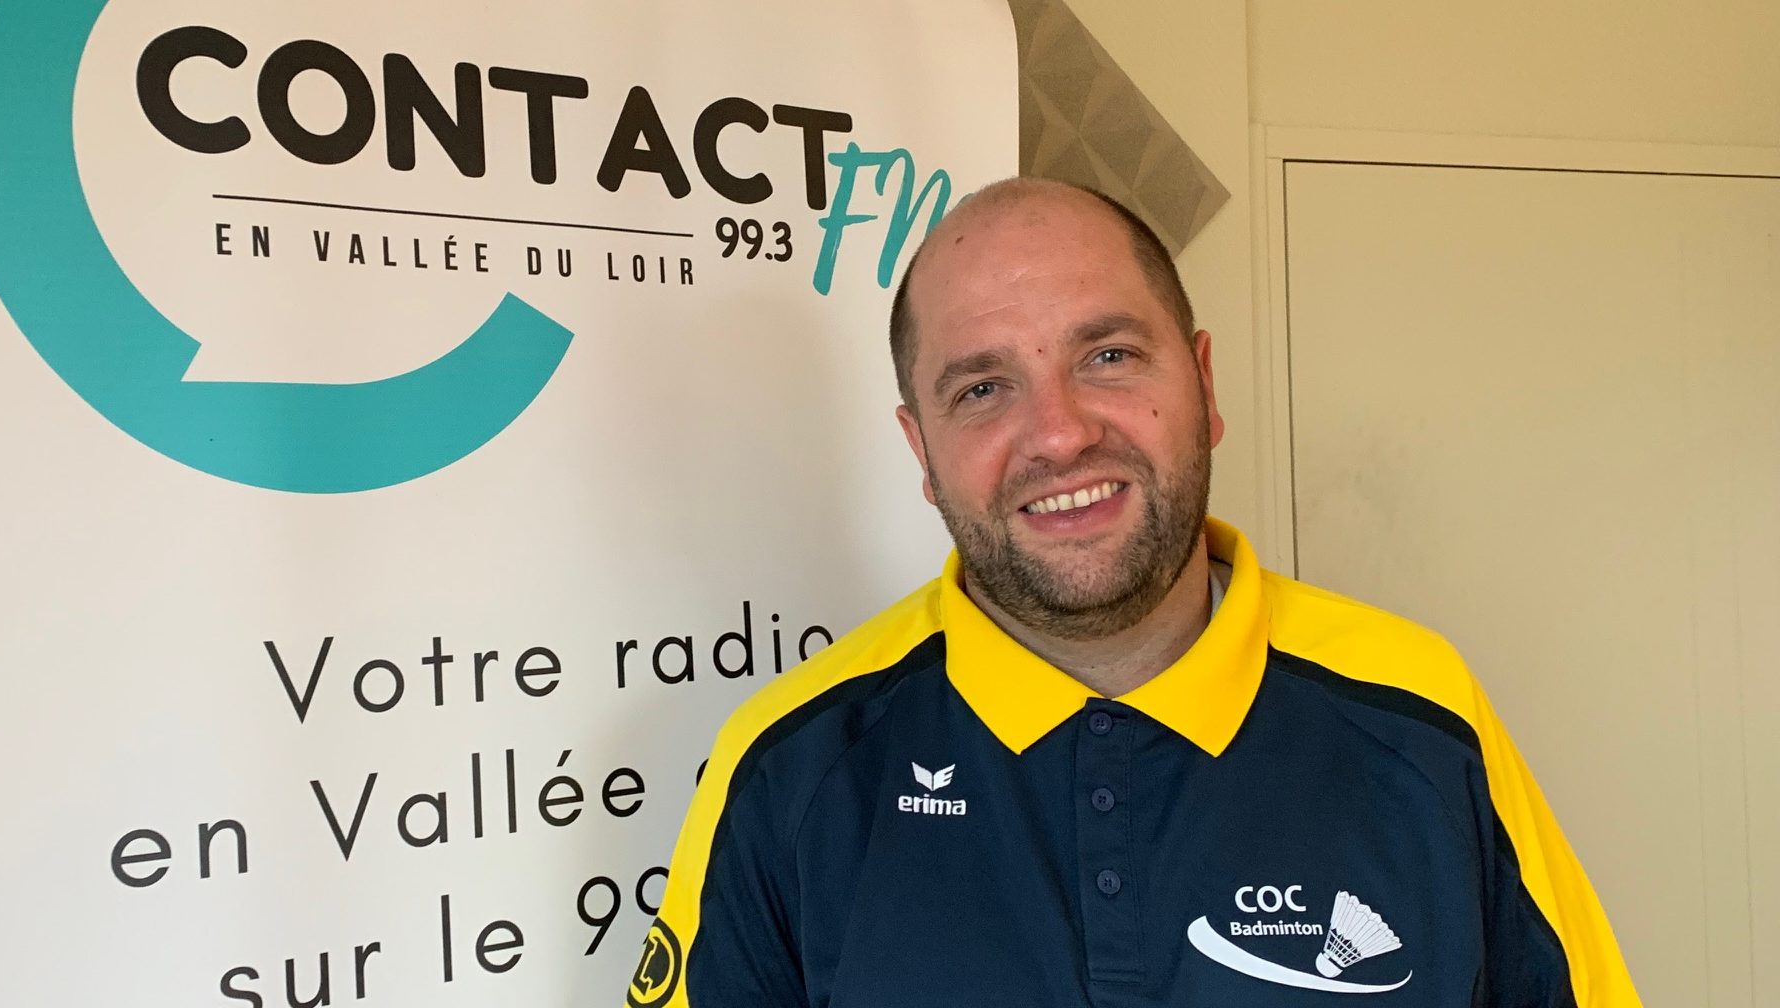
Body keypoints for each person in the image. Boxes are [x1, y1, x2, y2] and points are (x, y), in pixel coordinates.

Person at [625, 177, 1639, 1007]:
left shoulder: (1422, 717)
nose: (1061, 433)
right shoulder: (789, 770)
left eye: (1108, 356)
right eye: (982, 389)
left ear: (1204, 385)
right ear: (921, 452)